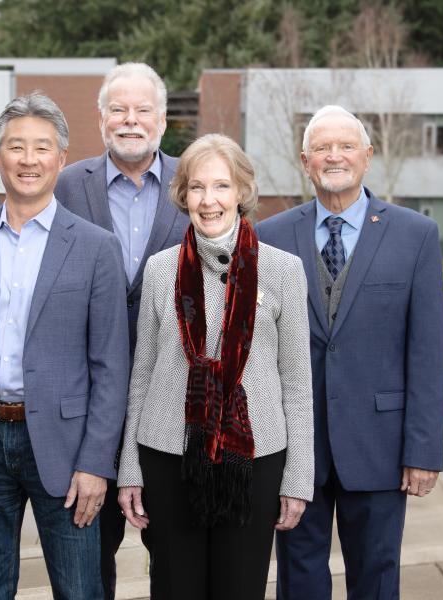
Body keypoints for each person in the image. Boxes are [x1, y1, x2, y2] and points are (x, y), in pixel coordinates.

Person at [0, 92, 130, 600]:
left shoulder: (95, 247)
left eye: (41, 148)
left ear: (61, 159)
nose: (28, 159)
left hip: (66, 453)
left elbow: (111, 367)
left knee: (79, 588)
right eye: (16, 147)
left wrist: (96, 464)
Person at [256, 105, 443, 600]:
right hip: (294, 448)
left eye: (345, 146)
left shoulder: (415, 235)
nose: (333, 156)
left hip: (380, 446)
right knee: (298, 579)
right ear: (305, 160)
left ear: (368, 156)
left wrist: (422, 450)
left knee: (377, 577)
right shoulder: (268, 237)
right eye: (322, 148)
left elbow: (425, 352)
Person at [117, 133, 314, 600]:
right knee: (174, 586)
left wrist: (298, 477)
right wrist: (130, 467)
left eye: (222, 186)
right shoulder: (162, 269)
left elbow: (298, 383)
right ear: (182, 195)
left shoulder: (283, 270)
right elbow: (141, 374)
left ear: (242, 192)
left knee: (239, 588)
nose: (209, 201)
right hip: (168, 456)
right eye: (197, 187)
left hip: (254, 458)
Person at [55, 63, 189, 599]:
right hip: (89, 407)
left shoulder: (193, 182)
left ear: (162, 119)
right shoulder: (66, 186)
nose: (130, 120)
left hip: (175, 405)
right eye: (118, 109)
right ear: (101, 117)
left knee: (176, 558)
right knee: (88, 556)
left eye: (142, 110)